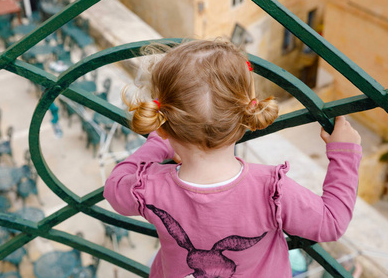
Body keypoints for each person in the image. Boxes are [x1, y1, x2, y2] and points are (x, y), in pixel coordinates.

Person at [103, 39, 362, 278]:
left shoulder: (148, 189)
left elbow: (114, 187)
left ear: (162, 124)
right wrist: (344, 154)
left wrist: (158, 146)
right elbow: (331, 222)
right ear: (248, 114)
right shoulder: (271, 190)